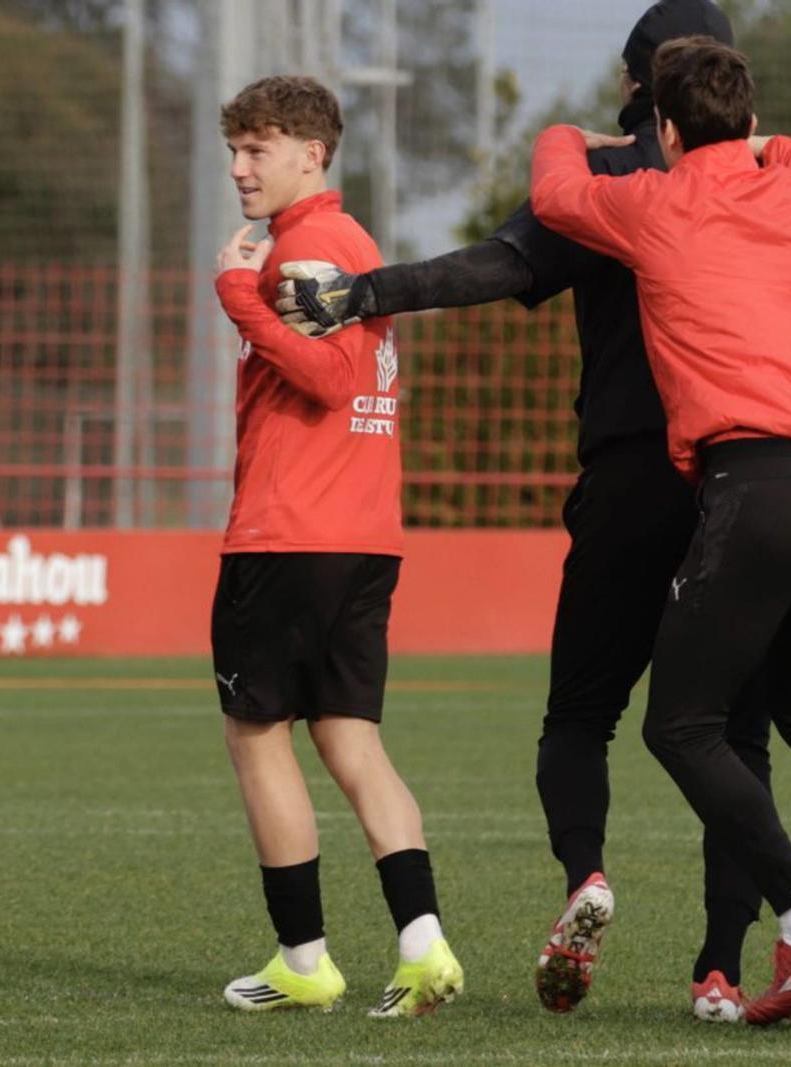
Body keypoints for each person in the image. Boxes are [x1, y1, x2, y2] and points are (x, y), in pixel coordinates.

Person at [271, 0, 791, 1022]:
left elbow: (505, 256)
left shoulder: (633, 195)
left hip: (679, 479)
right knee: (771, 722)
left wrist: (364, 292)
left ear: (643, 97)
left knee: (611, 718)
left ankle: (622, 884)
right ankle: (720, 968)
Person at [531, 33, 791, 1027]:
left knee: (679, 724)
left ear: (666, 131)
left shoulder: (657, 202)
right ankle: (789, 919)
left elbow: (554, 195)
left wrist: (572, 130)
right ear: (753, 123)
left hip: (756, 484)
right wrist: (765, 146)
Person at [210, 75, 464, 1018]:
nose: (239, 168)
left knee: (255, 735)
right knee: (352, 737)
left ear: (313, 153)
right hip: (362, 531)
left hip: (290, 533)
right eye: (235, 149)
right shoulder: (353, 243)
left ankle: (305, 957)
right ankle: (423, 942)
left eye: (259, 149)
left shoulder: (306, 249)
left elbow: (322, 374)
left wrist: (238, 294)